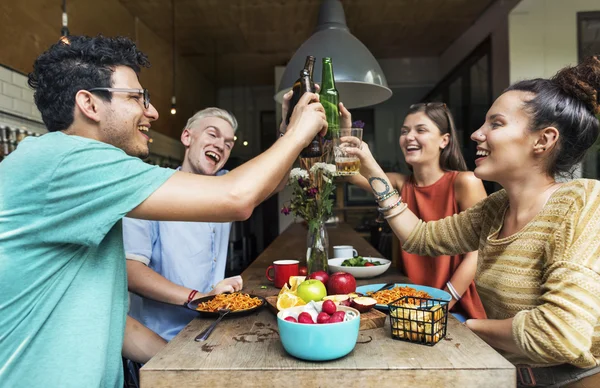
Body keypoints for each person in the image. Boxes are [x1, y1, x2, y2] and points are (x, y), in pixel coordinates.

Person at [0, 35, 327, 387]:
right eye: (138, 98)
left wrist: (180, 363)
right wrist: (295, 134)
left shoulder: (77, 176)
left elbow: (108, 320)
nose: (152, 112)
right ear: (90, 104)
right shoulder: (67, 162)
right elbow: (238, 198)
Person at [346, 56, 600, 387]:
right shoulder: (495, 208)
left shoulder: (584, 203)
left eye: (496, 124)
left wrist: (463, 325)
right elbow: (421, 238)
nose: (478, 134)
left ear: (543, 140)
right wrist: (370, 167)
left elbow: (560, 334)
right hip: (509, 375)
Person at [344, 102, 488, 321]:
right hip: (408, 301)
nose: (409, 136)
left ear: (444, 140)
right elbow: (350, 174)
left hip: (456, 307)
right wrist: (345, 133)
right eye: (404, 131)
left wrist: (442, 302)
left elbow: (479, 252)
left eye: (420, 130)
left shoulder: (465, 182)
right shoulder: (400, 184)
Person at [123, 107, 243, 341]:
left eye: (228, 143)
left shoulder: (226, 189)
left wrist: (287, 132)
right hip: (159, 341)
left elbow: (269, 183)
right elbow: (131, 272)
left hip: (210, 332)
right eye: (212, 134)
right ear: (187, 137)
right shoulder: (150, 189)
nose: (220, 145)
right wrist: (199, 298)